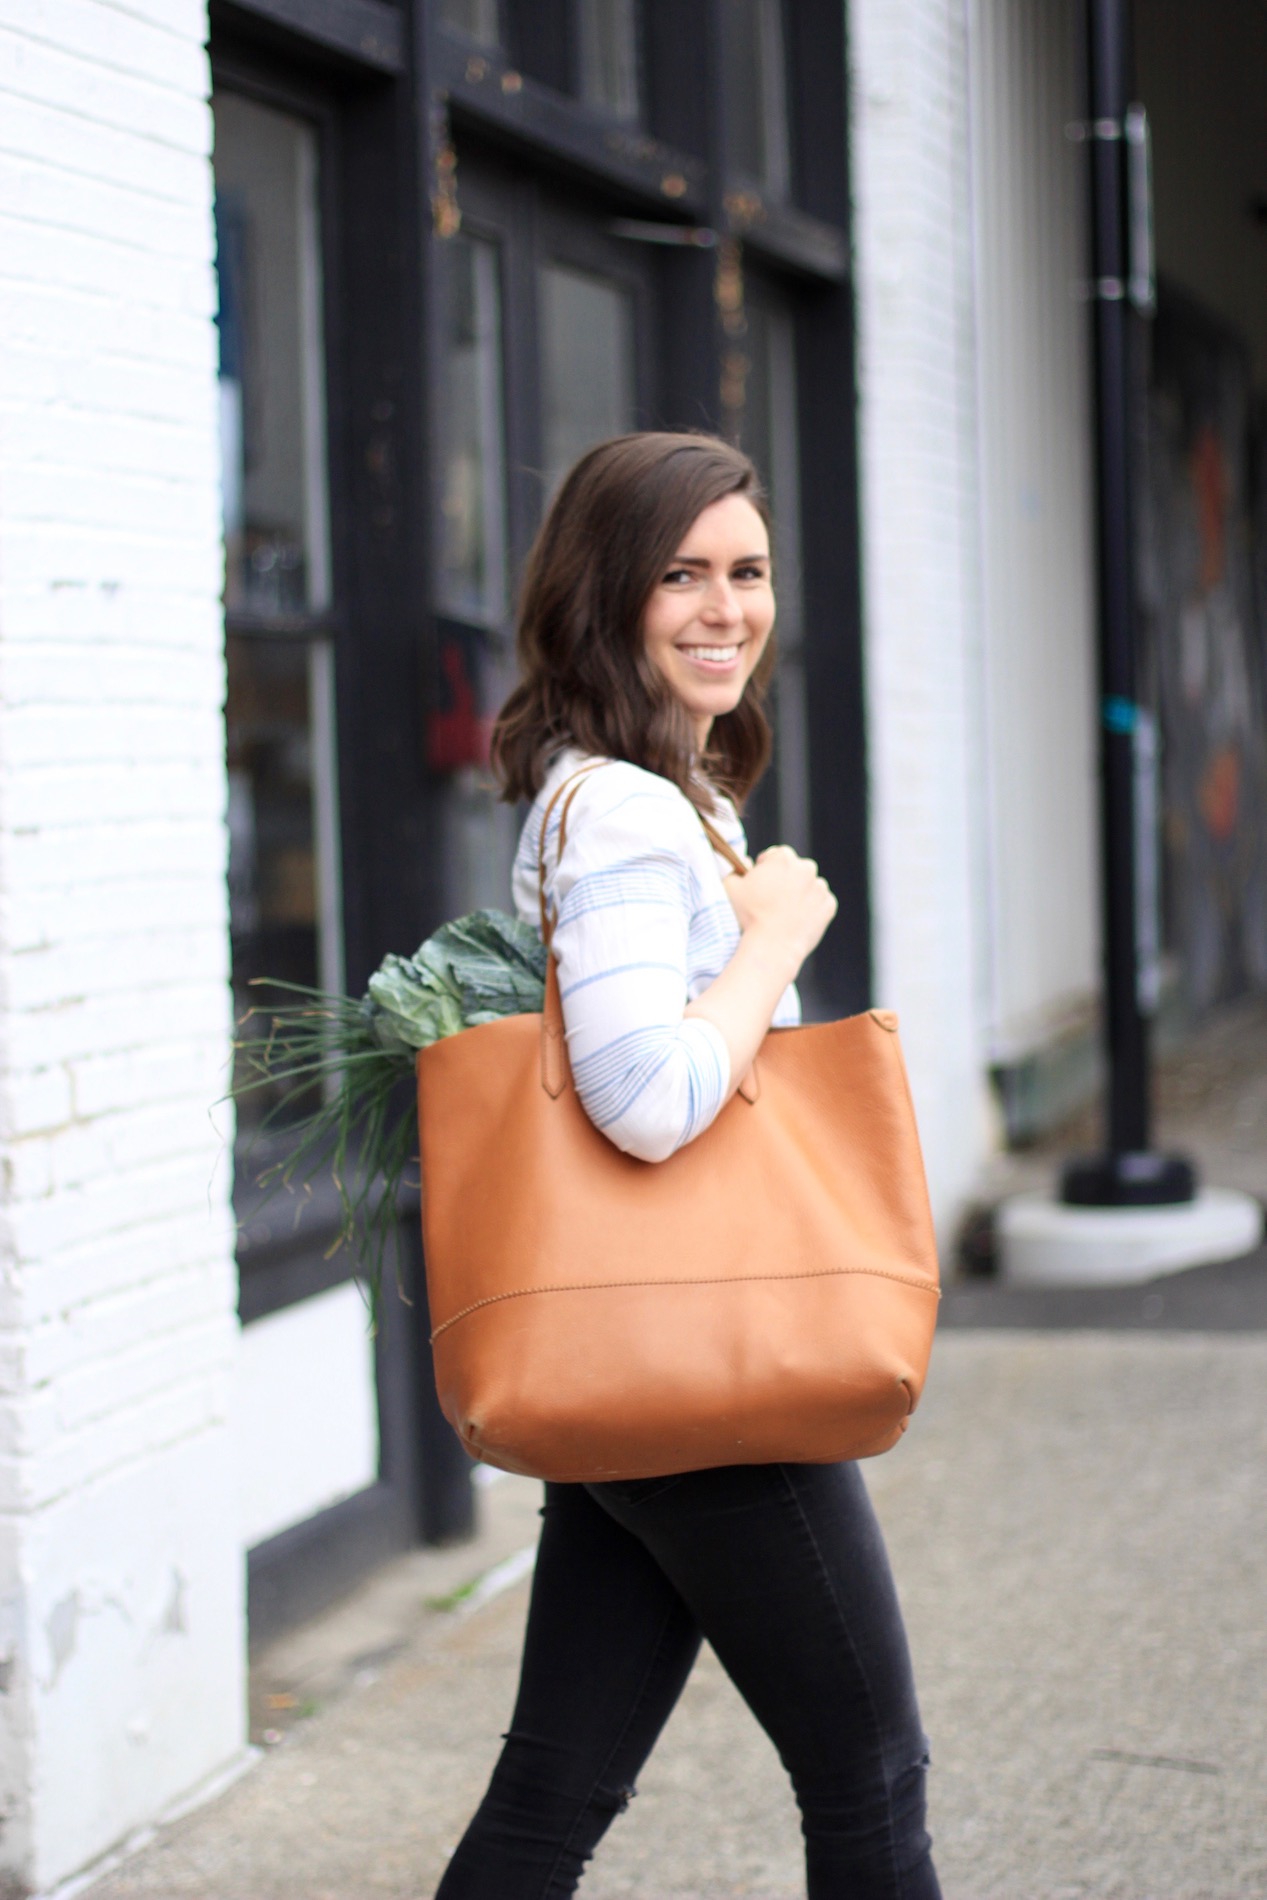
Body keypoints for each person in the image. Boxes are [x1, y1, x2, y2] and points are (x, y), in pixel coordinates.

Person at [434, 432, 940, 1900]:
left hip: (645, 1341)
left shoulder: (657, 789)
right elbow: (645, 1098)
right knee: (869, 1777)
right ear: (608, 593)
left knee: (554, 1787)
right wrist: (776, 941)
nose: (726, 609)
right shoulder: (628, 814)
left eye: (749, 572)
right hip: (708, 1370)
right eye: (682, 576)